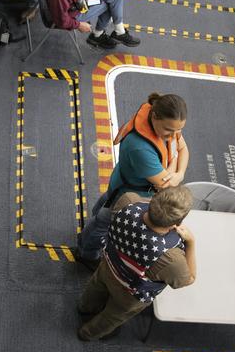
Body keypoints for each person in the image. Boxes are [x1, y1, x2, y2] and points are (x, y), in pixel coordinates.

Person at [76, 92, 189, 266]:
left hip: (122, 184)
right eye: (168, 130)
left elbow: (183, 149)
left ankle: (94, 220)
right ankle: (86, 254)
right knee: (103, 222)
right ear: (154, 116)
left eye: (178, 130)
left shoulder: (168, 127)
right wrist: (175, 163)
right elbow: (164, 185)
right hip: (126, 194)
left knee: (104, 206)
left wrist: (179, 173)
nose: (173, 135)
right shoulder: (140, 148)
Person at [77, 186, 196, 341]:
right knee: (113, 316)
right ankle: (87, 334)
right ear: (177, 223)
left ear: (153, 197)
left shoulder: (128, 201)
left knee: (96, 287)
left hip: (108, 265)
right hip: (129, 294)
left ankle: (84, 308)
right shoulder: (171, 259)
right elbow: (188, 279)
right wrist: (191, 243)